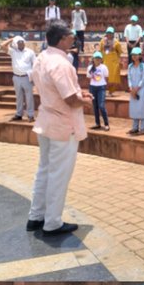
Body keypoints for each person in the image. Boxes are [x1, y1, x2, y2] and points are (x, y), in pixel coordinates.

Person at [27, 24, 84, 239]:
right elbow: (70, 99)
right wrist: (85, 101)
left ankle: (36, 216)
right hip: (62, 124)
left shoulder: (42, 58)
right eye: (70, 37)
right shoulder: (61, 63)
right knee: (58, 175)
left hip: (46, 120)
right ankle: (52, 222)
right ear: (61, 39)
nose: (73, 39)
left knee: (44, 170)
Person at [3, 36, 36, 121]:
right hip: (16, 77)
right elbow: (2, 45)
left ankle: (30, 115)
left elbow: (35, 65)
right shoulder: (13, 51)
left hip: (27, 77)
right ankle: (19, 114)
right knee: (19, 97)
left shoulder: (30, 52)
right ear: (16, 44)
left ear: (24, 43)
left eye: (22, 42)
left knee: (29, 97)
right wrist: (12, 39)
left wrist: (34, 77)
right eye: (19, 42)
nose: (21, 43)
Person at [124, 46, 144, 135]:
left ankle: (143, 128)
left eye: (136, 55)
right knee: (134, 108)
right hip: (133, 91)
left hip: (142, 90)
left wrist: (137, 89)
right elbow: (129, 78)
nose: (134, 57)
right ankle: (134, 127)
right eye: (133, 55)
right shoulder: (130, 66)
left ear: (140, 56)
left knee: (142, 109)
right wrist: (131, 88)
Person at [88, 51, 109, 130]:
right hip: (93, 87)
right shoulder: (90, 68)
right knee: (95, 106)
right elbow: (89, 78)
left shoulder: (104, 67)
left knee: (101, 106)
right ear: (93, 59)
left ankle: (106, 124)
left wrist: (103, 85)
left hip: (101, 88)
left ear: (101, 60)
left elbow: (106, 77)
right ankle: (97, 123)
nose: (97, 60)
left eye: (99, 58)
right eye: (96, 58)